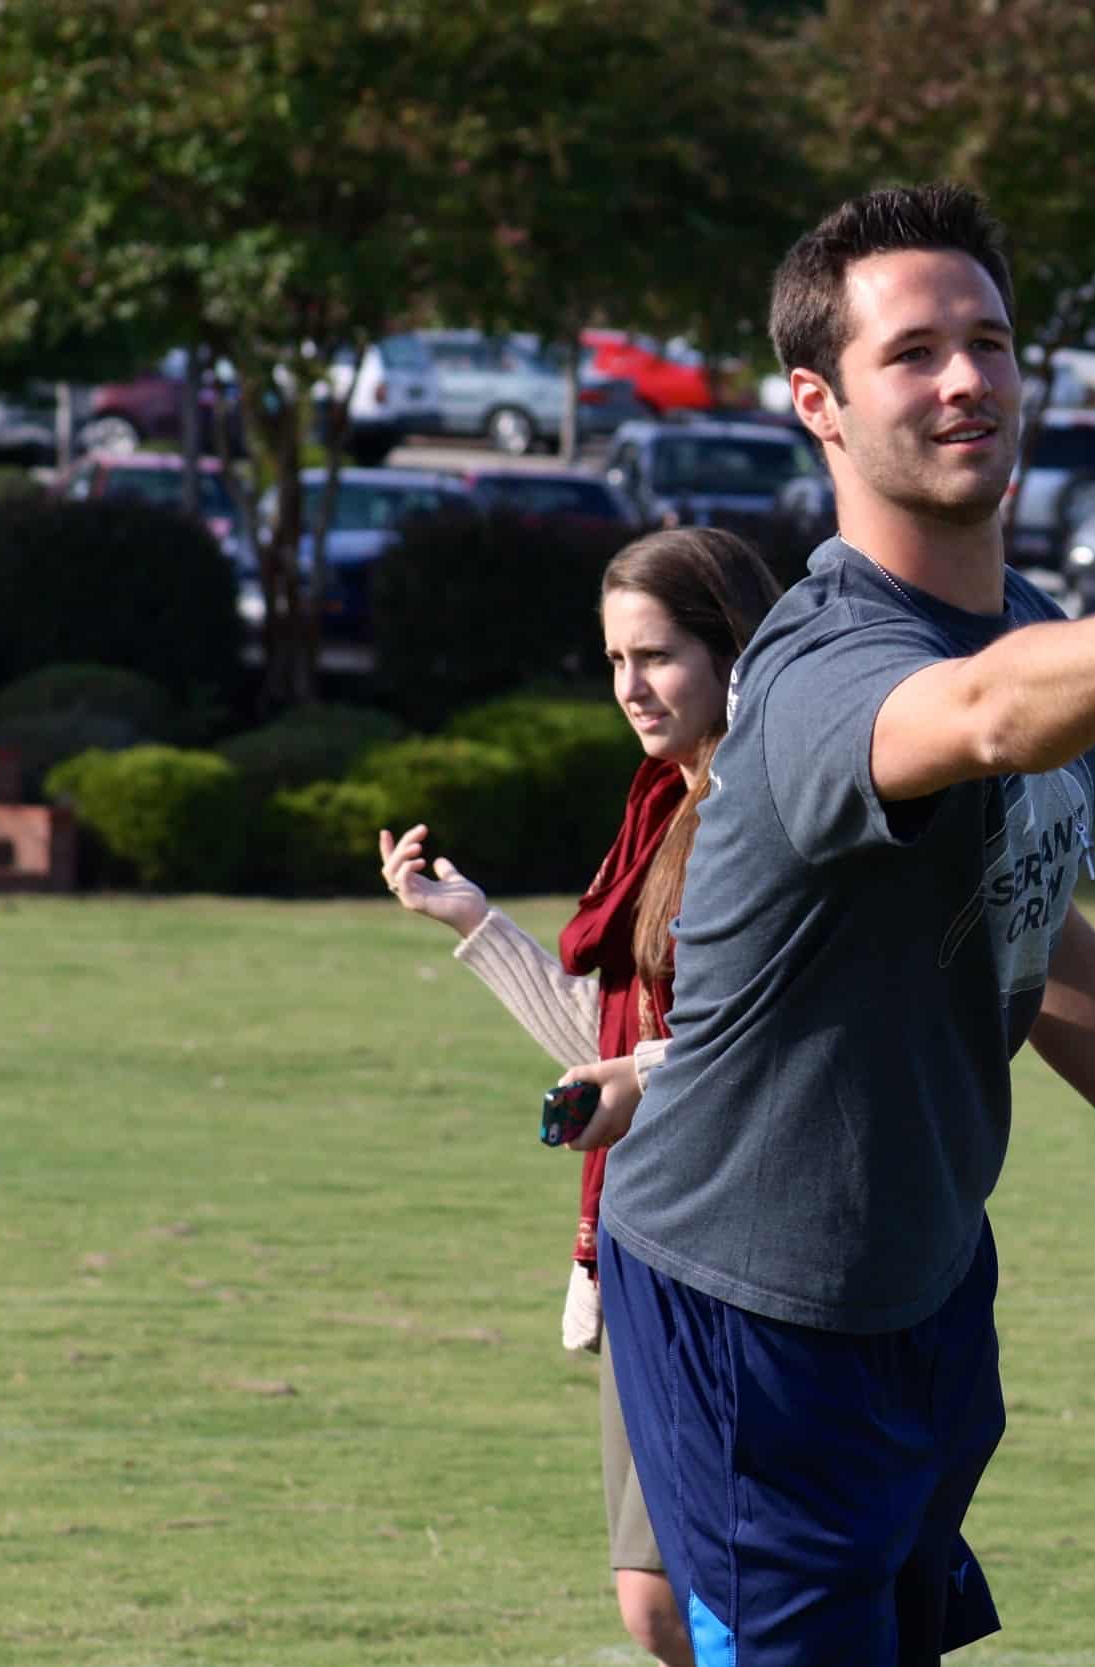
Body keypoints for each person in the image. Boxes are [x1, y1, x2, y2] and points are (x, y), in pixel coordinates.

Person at [569, 181, 1095, 1666]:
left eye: (989, 340)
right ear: (821, 402)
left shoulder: (1027, 626)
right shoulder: (814, 666)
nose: (968, 377)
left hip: (923, 1278)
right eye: (914, 351)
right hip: (752, 1298)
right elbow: (974, 720)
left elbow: (1037, 941)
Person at [377, 526, 781, 1667]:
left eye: (655, 656)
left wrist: (644, 1076)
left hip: (740, 1243)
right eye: (614, 661)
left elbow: (754, 1040)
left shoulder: (763, 811)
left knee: (735, 1597)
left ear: (729, 650)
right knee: (657, 1602)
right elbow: (618, 1039)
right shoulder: (663, 804)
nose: (631, 688)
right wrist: (477, 926)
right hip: (645, 1232)